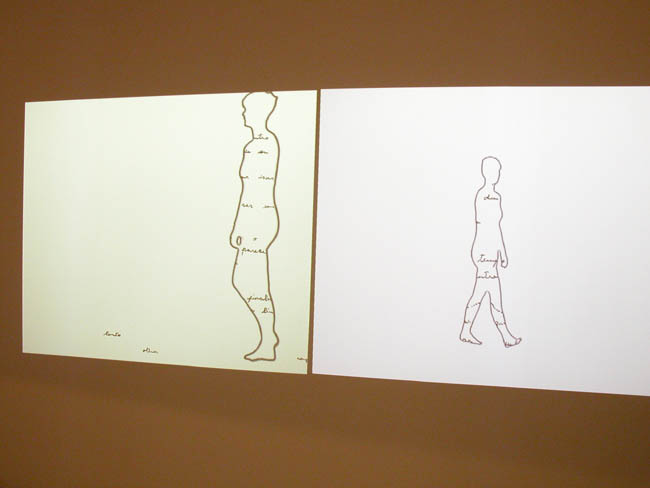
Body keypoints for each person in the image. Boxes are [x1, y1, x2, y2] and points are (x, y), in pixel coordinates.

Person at [229, 92, 280, 361]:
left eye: (246, 109)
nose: (243, 114)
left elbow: (258, 190)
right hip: (252, 219)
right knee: (243, 280)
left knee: (252, 282)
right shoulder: (253, 144)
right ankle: (268, 338)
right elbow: (247, 190)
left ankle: (268, 341)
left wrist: (244, 225)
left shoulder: (265, 144)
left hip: (259, 219)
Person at [460, 156, 521, 348]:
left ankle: (467, 331)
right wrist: (492, 251)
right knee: (492, 293)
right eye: (495, 171)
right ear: (486, 172)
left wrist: (502, 251)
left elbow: (497, 226)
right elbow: (485, 225)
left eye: (499, 171)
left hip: (491, 249)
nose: (498, 174)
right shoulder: (483, 195)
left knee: (482, 293)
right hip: (483, 250)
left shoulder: (497, 196)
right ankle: (505, 336)